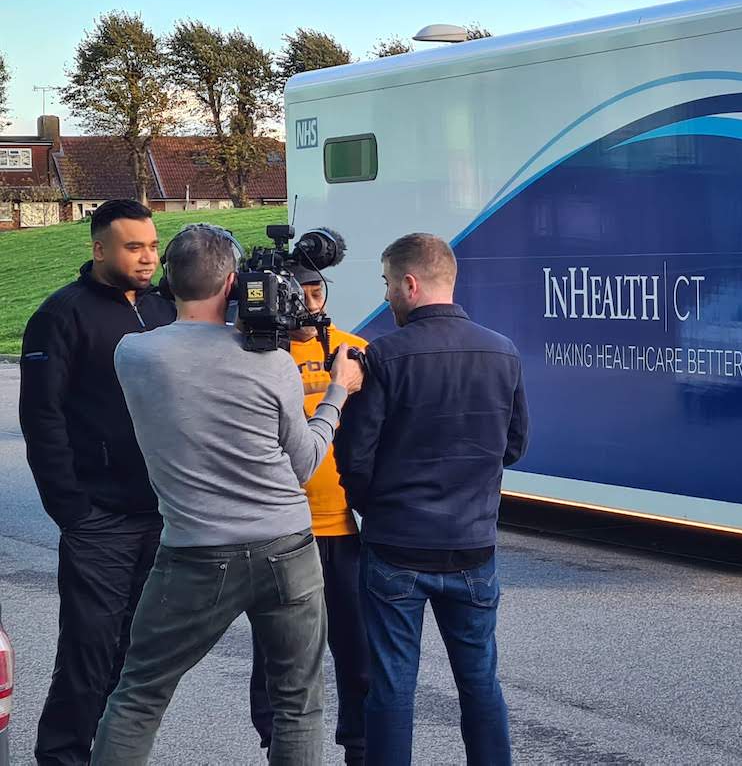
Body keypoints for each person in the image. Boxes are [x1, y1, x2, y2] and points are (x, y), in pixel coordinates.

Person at [90, 224, 365, 766]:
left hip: (193, 552)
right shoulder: (273, 363)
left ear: (169, 282)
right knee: (298, 706)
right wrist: (337, 393)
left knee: (140, 694)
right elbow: (306, 460)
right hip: (286, 547)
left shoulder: (134, 355)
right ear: (235, 284)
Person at [335, 233, 529, 766]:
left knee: (392, 685)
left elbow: (354, 456)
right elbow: (513, 445)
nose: (388, 295)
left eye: (388, 284)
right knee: (480, 682)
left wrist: (376, 505)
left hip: (396, 546)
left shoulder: (383, 358)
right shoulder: (502, 352)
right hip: (472, 546)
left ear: (410, 283)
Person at [19, 199, 176, 766]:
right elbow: (42, 418)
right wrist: (73, 509)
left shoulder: (165, 307)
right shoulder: (62, 315)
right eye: (134, 247)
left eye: (153, 246)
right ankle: (62, 757)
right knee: (88, 655)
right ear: (99, 248)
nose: (147, 257)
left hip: (162, 516)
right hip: (99, 520)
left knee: (138, 659)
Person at [248, 266, 371, 764]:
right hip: (283, 530)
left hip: (344, 527)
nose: (308, 305)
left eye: (316, 293)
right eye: (296, 295)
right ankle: (279, 746)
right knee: (279, 657)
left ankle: (359, 746)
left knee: (358, 653)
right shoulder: (256, 355)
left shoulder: (353, 348)